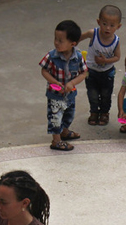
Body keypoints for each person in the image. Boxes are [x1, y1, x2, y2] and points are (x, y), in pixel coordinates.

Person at [39, 20, 87, 151]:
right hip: (55, 95)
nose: (56, 43)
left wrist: (72, 82)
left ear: (73, 44)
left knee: (69, 114)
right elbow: (44, 70)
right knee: (55, 117)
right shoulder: (51, 56)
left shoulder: (77, 57)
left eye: (60, 40)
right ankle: (56, 140)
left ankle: (64, 132)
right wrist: (54, 81)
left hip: (70, 94)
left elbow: (84, 73)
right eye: (55, 39)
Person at [79, 5, 122, 126]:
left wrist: (105, 60)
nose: (107, 28)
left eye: (112, 25)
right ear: (98, 22)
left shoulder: (116, 41)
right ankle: (93, 112)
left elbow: (117, 57)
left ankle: (104, 113)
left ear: (118, 26)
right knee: (92, 94)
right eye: (104, 24)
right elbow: (79, 38)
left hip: (107, 73)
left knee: (106, 94)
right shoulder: (93, 34)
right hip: (91, 72)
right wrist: (72, 44)